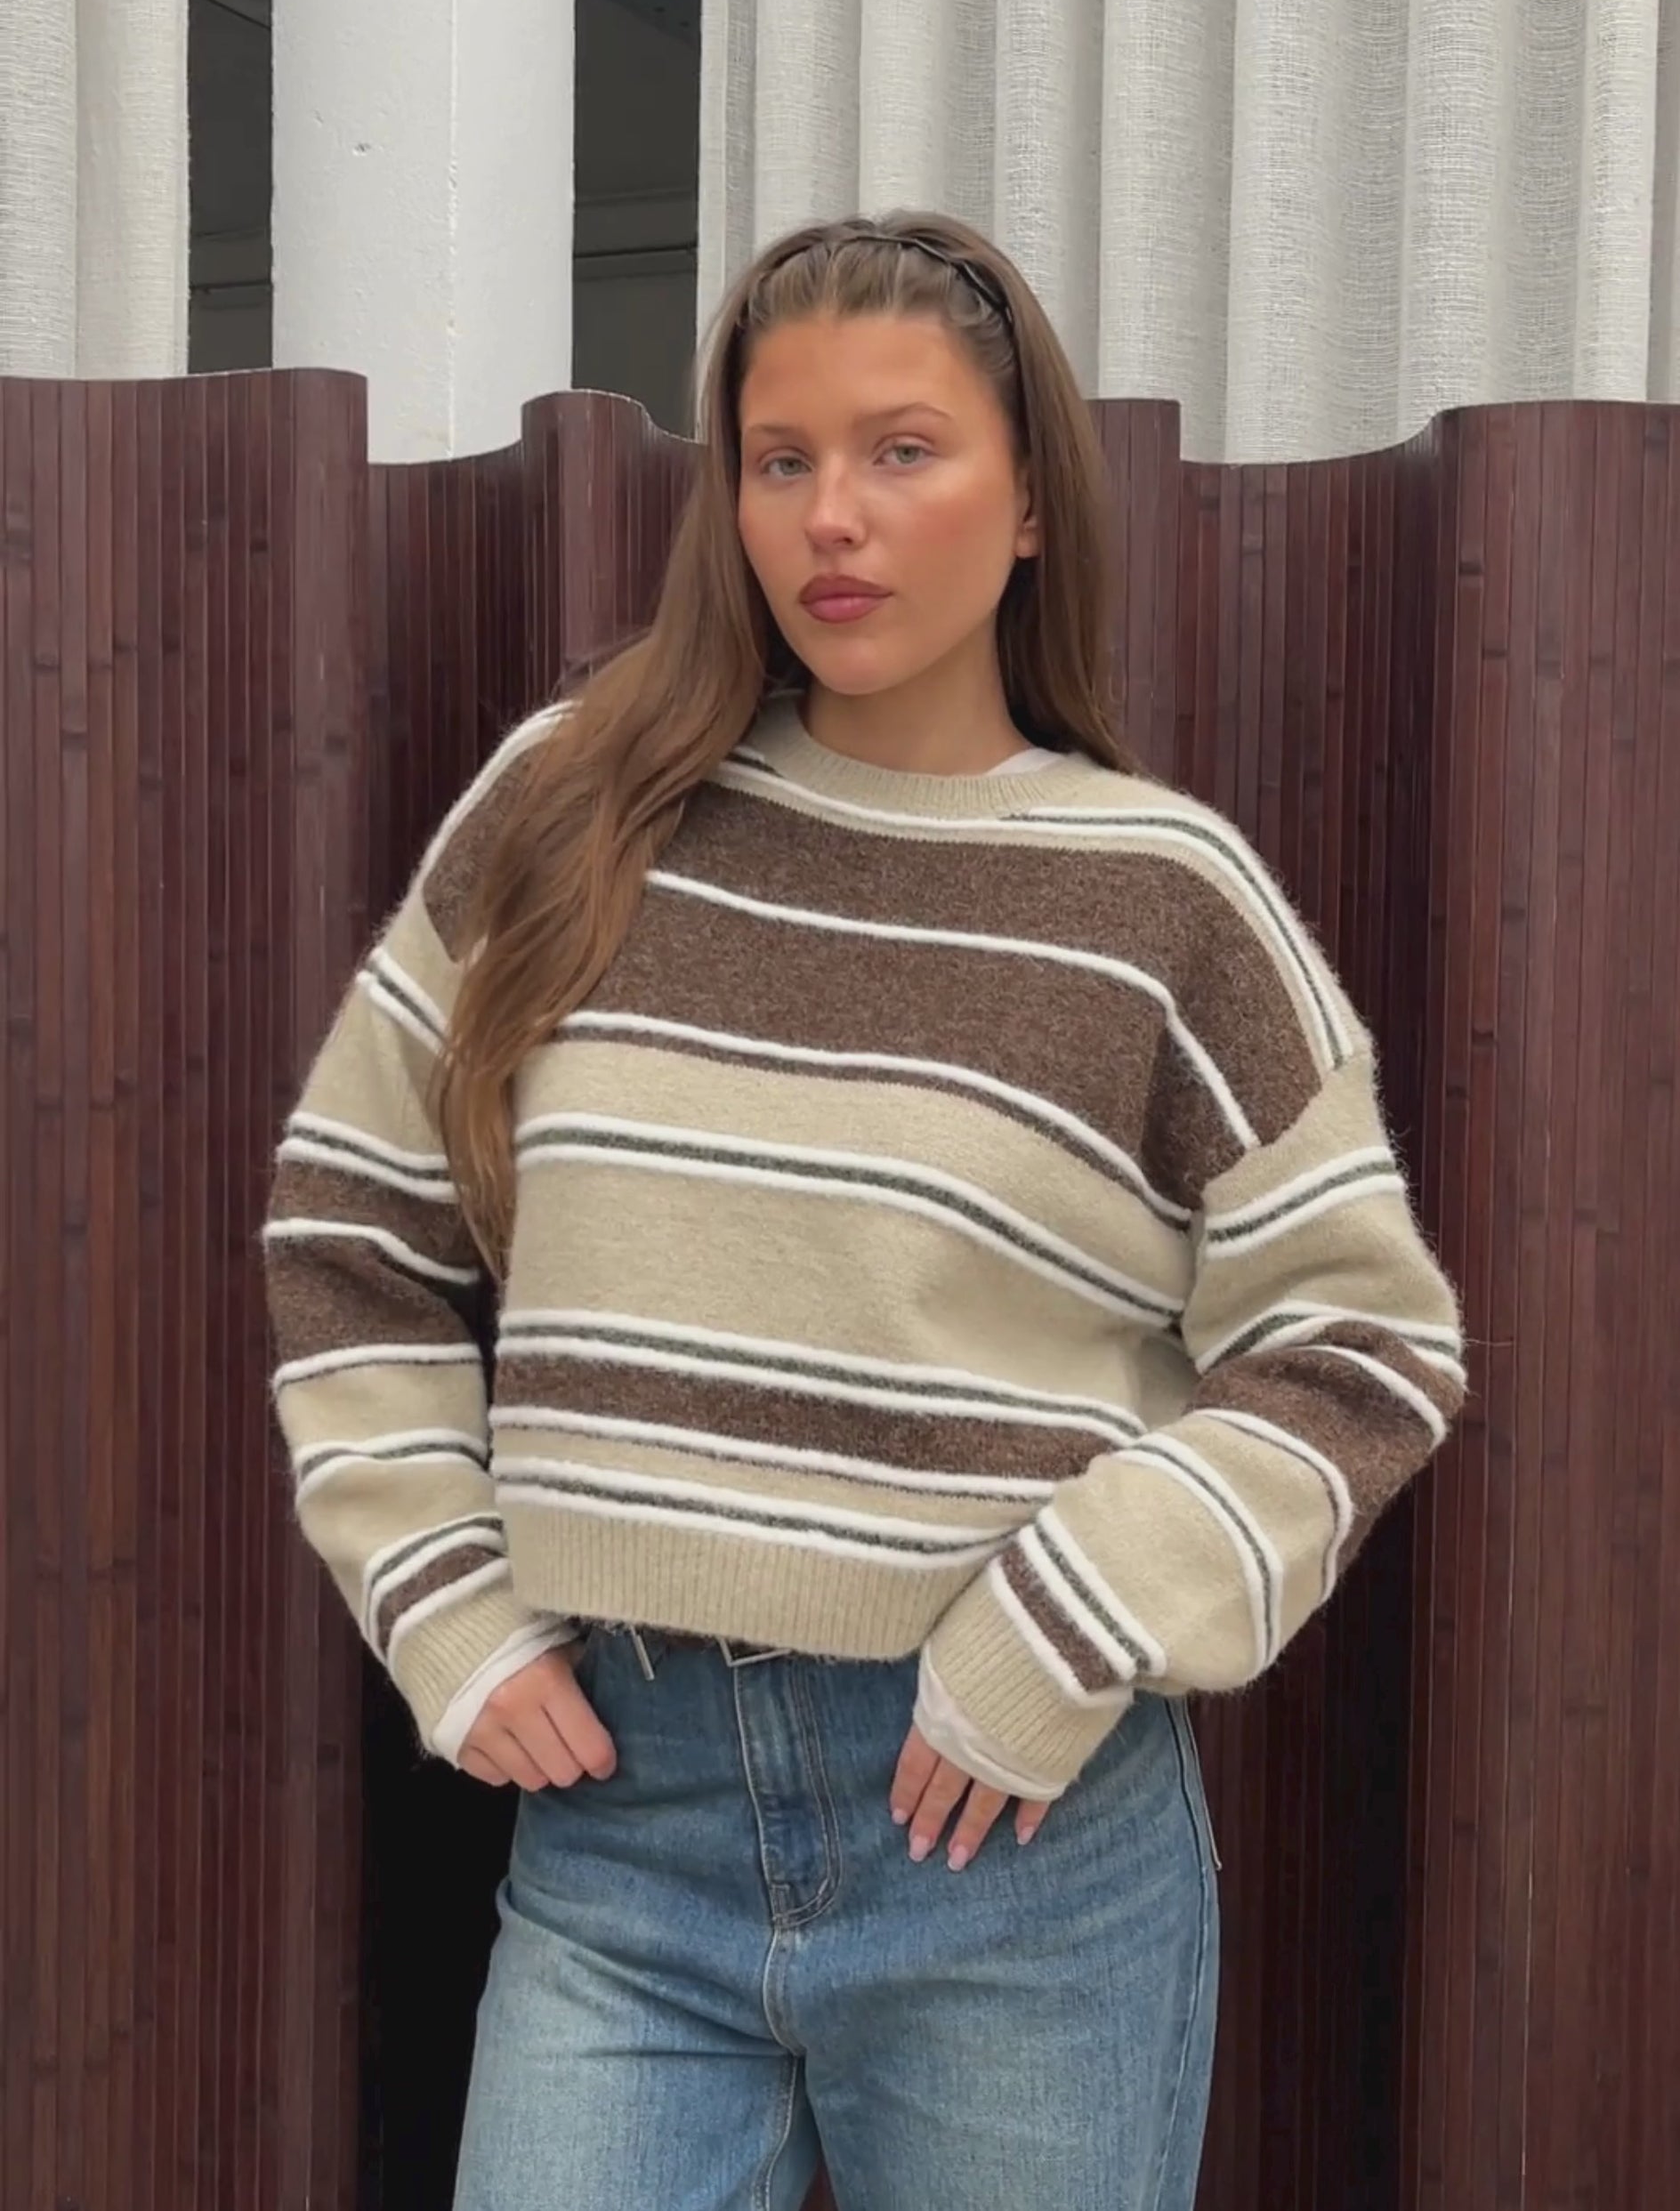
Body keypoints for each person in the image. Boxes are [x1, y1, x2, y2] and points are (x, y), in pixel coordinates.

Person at [264, 211, 1465, 2211]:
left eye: (904, 450)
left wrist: (1065, 1621)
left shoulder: (1161, 900)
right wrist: (444, 1601)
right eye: (780, 457)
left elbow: (1360, 1343)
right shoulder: (575, 807)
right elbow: (349, 1228)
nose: (832, 514)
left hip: (1011, 1836)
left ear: (1029, 504)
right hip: (620, 1835)